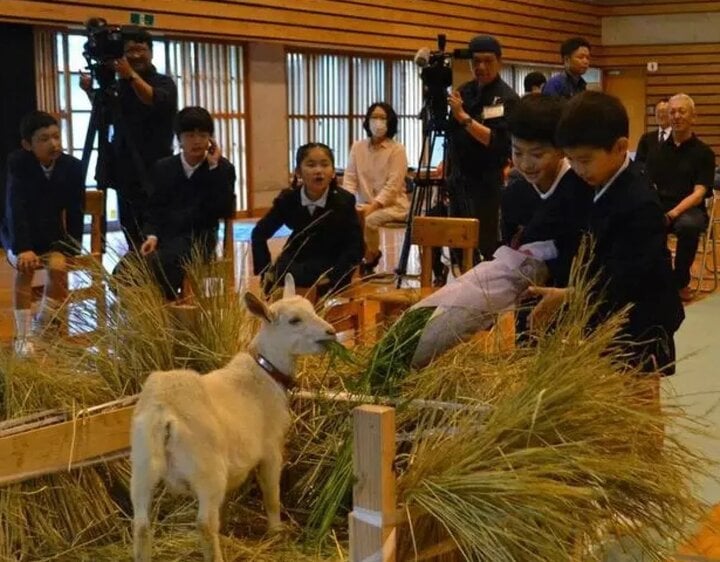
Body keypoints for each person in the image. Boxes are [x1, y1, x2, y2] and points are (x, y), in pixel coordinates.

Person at [409, 95, 591, 366]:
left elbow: (586, 257)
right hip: (527, 301)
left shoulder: (581, 189)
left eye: (538, 154)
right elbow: (508, 248)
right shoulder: (515, 194)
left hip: (575, 302)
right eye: (518, 153)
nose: (527, 163)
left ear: (562, 150)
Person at [530, 91, 684, 377]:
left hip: (643, 314)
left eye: (585, 160)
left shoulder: (640, 202)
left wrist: (569, 295)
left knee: (641, 397)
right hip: (603, 305)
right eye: (572, 160)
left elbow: (627, 275)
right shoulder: (590, 181)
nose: (577, 169)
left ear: (620, 147)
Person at [80, 27, 177, 252]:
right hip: (124, 171)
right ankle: (137, 275)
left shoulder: (163, 83)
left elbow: (154, 100)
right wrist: (90, 92)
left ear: (151, 53)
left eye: (141, 49)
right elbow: (107, 116)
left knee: (154, 228)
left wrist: (130, 76)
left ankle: (157, 276)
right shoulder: (118, 86)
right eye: (130, 50)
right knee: (129, 228)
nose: (135, 55)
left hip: (155, 170)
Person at [2, 111, 84, 356]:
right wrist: (23, 247)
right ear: (28, 145)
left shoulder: (72, 166)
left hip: (51, 234)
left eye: (56, 137)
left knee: (59, 268)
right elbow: (15, 207)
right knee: (25, 269)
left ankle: (44, 325)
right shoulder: (18, 163)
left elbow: (75, 210)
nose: (54, 144)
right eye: (44, 139)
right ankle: (23, 335)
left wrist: (72, 247)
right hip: (18, 232)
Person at [140, 107, 236, 300]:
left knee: (159, 264)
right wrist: (151, 235)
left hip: (200, 239)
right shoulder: (163, 168)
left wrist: (213, 168)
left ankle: (167, 314)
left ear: (211, 138)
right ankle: (159, 313)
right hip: (165, 238)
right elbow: (154, 208)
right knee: (125, 269)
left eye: (203, 134)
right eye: (190, 135)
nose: (197, 140)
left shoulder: (222, 168)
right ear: (179, 139)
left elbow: (224, 209)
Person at [251, 143, 363, 296]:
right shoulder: (288, 199)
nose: (318, 171)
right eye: (311, 165)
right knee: (279, 283)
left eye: (325, 165)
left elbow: (355, 246)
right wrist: (265, 270)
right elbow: (259, 233)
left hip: (331, 262)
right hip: (296, 260)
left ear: (332, 171)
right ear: (298, 171)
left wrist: (336, 276)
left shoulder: (344, 201)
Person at [446, 34, 519, 262]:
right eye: (476, 61)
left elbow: (498, 142)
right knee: (456, 240)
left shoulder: (507, 98)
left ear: (499, 61)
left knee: (484, 242)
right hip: (458, 178)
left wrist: (464, 117)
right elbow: (451, 134)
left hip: (486, 181)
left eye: (487, 61)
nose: (481, 67)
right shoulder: (464, 92)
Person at [645, 93, 715, 301]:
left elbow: (700, 192)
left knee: (688, 226)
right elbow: (648, 184)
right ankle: (656, 278)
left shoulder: (704, 153)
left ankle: (680, 281)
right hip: (661, 204)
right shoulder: (657, 151)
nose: (676, 116)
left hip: (689, 209)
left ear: (693, 117)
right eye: (672, 112)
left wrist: (673, 213)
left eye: (681, 111)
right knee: (641, 222)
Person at [342, 102, 409, 276]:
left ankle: (370, 257)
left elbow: (392, 186)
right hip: (363, 203)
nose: (377, 122)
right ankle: (351, 261)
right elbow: (350, 178)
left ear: (390, 122)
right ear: (367, 120)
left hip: (393, 206)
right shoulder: (358, 147)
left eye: (382, 118)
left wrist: (374, 206)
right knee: (346, 218)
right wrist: (346, 202)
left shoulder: (397, 150)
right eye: (374, 117)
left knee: (369, 220)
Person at [634, 98, 671, 167]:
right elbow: (638, 163)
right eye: (658, 112)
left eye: (664, 111)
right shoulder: (646, 138)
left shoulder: (678, 137)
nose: (661, 115)